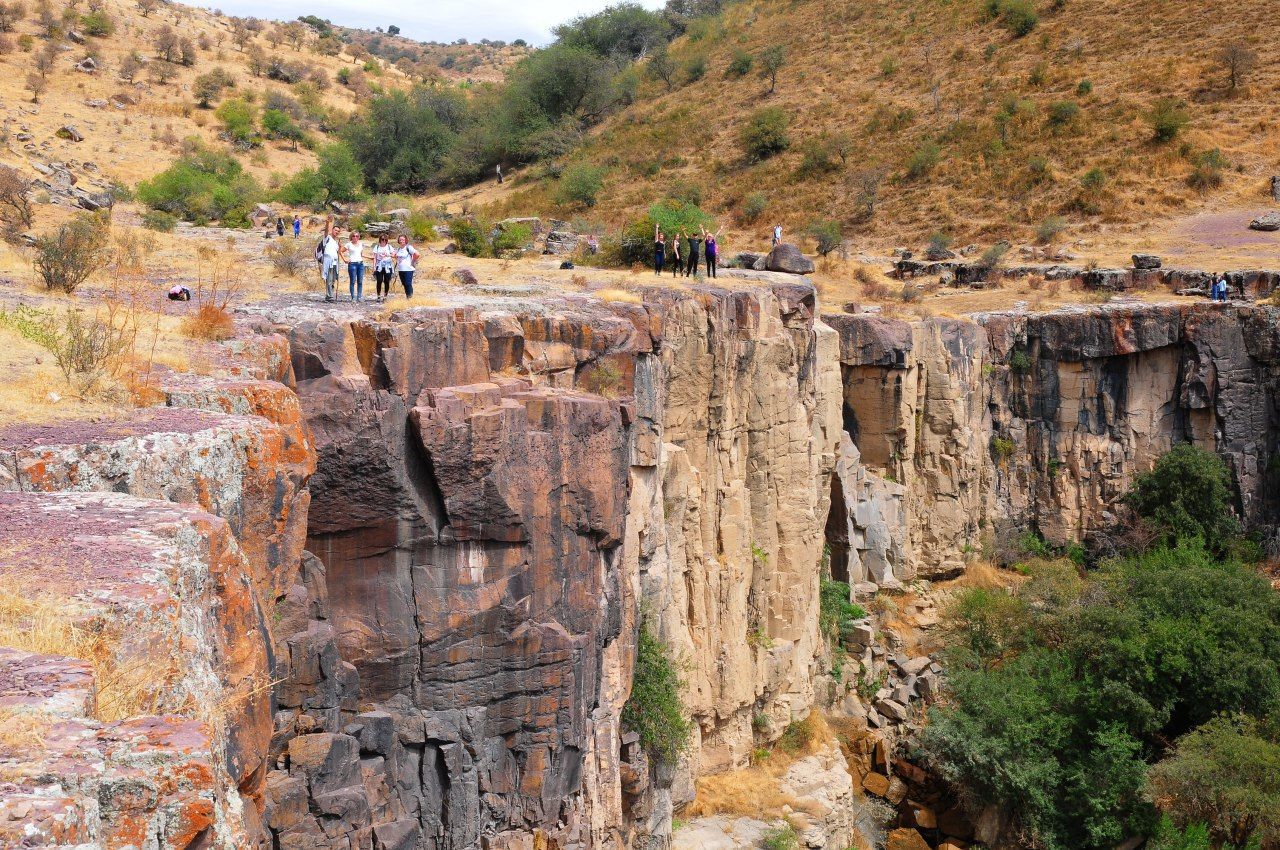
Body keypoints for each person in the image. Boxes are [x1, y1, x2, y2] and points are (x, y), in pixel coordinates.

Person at [317, 216, 341, 302]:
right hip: (328, 262)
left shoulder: (336, 242)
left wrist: (340, 248)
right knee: (329, 279)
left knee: (333, 279)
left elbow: (337, 253)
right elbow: (326, 231)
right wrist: (327, 222)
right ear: (332, 230)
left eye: (338, 231)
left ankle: (330, 295)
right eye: (335, 230)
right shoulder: (327, 238)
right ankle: (329, 296)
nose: (336, 232)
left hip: (335, 262)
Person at [342, 229, 368, 303]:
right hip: (352, 264)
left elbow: (361, 254)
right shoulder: (348, 244)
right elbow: (340, 251)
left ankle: (359, 297)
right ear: (351, 236)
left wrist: (370, 257)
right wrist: (345, 259)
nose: (355, 237)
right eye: (353, 236)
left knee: (360, 281)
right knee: (352, 281)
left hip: (360, 264)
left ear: (359, 237)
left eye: (357, 236)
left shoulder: (361, 244)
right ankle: (353, 297)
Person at [372, 234, 396, 302]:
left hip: (388, 266)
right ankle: (378, 296)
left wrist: (387, 255)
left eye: (385, 239)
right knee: (379, 281)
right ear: (380, 239)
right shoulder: (377, 247)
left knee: (387, 281)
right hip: (379, 266)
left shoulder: (389, 247)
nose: (384, 241)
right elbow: (374, 258)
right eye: (382, 239)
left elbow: (394, 255)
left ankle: (385, 296)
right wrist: (374, 267)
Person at [396, 234, 419, 299]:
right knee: (404, 284)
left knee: (408, 283)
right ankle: (408, 297)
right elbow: (396, 256)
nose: (401, 241)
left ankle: (410, 298)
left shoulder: (409, 247)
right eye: (400, 240)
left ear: (406, 240)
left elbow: (417, 254)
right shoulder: (398, 249)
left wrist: (413, 260)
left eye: (403, 240)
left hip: (408, 269)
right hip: (401, 269)